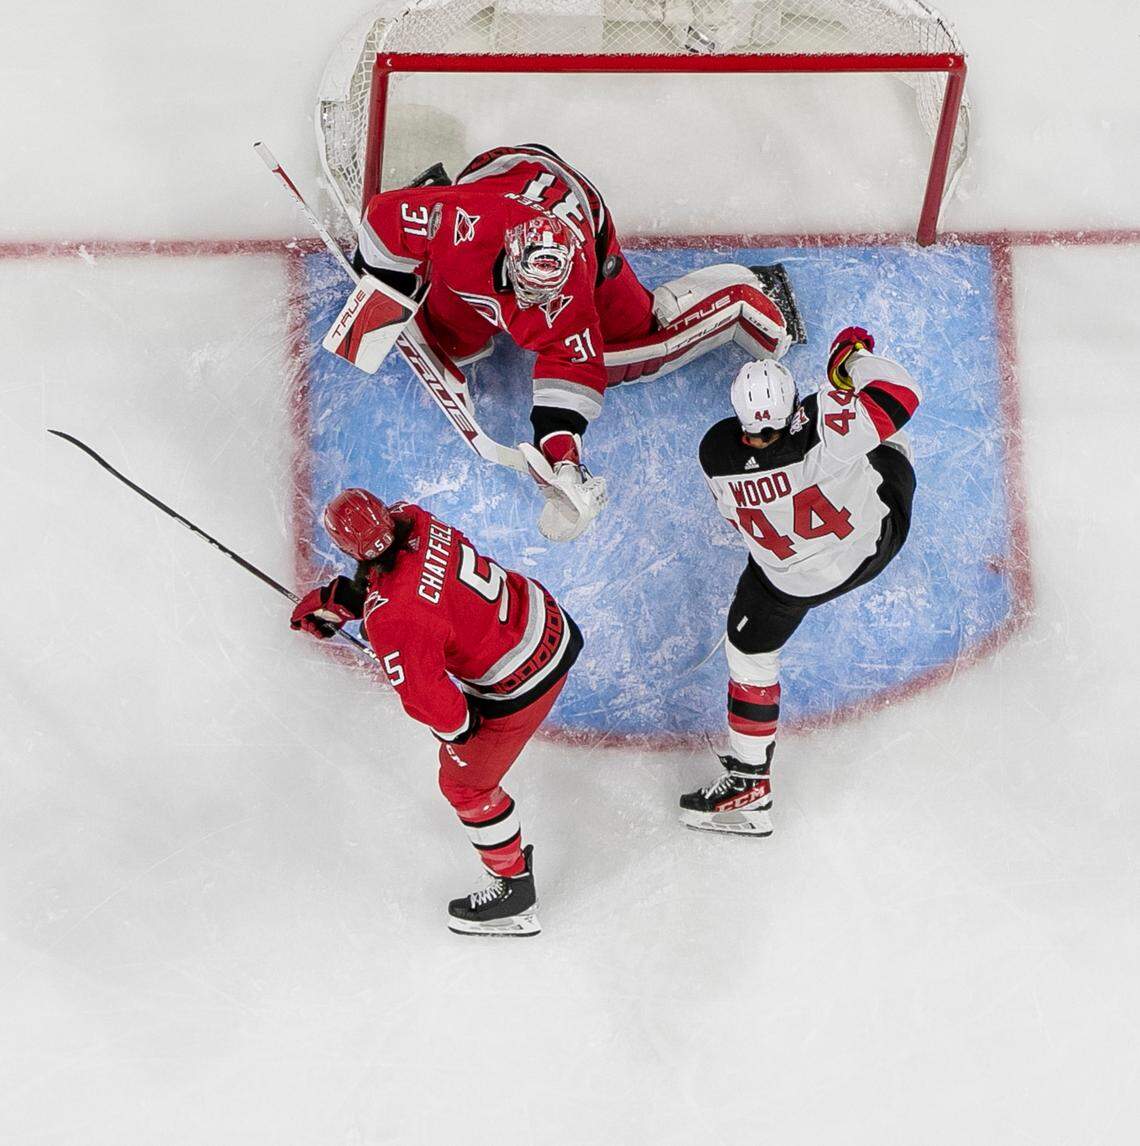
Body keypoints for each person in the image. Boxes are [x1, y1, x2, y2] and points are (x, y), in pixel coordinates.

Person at [351, 143, 800, 540]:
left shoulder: (571, 293)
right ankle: (436, 201)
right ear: (510, 256)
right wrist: (385, 284)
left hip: (586, 220)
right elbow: (380, 219)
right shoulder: (456, 223)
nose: (543, 305)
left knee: (638, 350)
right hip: (501, 174)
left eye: (550, 296)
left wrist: (561, 457)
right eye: (530, 292)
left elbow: (572, 372)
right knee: (451, 344)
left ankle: (741, 295)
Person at [289, 488, 582, 936]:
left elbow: (436, 705)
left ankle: (514, 892)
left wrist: (463, 735)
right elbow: (411, 582)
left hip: (526, 680)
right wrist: (349, 597)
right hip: (547, 620)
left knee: (463, 783)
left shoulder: (391, 620)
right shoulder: (415, 518)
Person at [680, 326, 921, 835]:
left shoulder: (716, 452)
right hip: (874, 545)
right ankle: (853, 391)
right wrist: (848, 365)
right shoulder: (824, 430)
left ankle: (750, 781)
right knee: (885, 436)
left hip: (789, 581)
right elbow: (901, 395)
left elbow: (736, 520)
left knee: (748, 655)